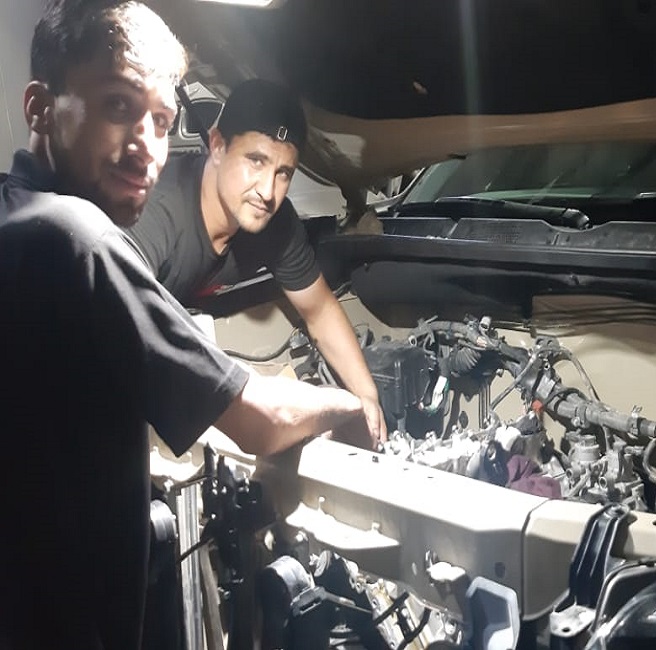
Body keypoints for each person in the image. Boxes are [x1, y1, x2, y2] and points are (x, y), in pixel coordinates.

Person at [0, 2, 377, 648]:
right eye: (118, 106)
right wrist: (349, 408)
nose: (144, 145)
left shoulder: (18, 215)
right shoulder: (84, 239)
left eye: (161, 120)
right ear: (39, 108)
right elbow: (259, 419)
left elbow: (317, 308)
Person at [127, 79, 388, 441]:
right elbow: (115, 334)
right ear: (218, 145)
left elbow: (318, 310)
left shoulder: (276, 222)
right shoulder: (154, 214)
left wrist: (367, 397)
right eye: (256, 161)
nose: (268, 192)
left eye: (284, 173)